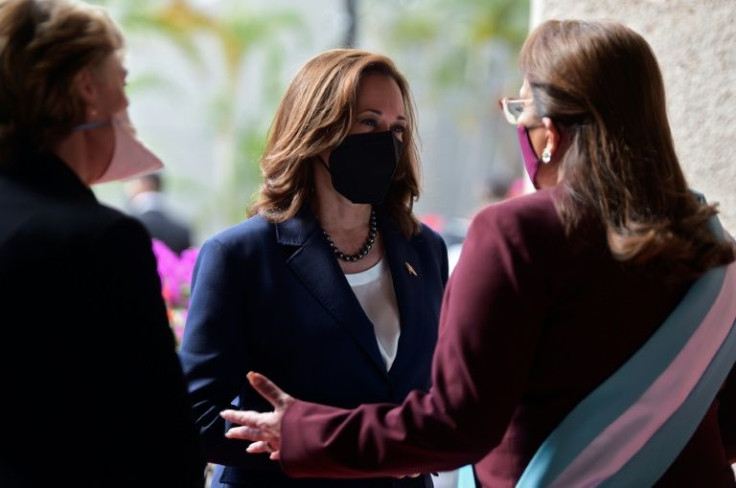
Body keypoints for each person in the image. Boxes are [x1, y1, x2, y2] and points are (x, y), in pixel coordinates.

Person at [219, 19, 736, 487]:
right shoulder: (710, 241)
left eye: (521, 109)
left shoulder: (516, 232)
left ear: (549, 134)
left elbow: (457, 425)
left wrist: (304, 432)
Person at [178, 48, 448, 488]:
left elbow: (439, 389)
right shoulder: (241, 256)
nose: (388, 141)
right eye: (369, 123)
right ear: (319, 131)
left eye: (397, 128)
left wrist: (427, 441)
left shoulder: (424, 250)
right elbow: (195, 415)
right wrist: (326, 449)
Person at [0, 1, 204, 486]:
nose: (127, 106)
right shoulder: (99, 240)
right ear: (87, 89)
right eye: (123, 82)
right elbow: (162, 438)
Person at [125, 171, 194, 255]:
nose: (128, 189)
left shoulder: (127, 226)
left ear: (144, 184)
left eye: (132, 183)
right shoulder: (182, 229)